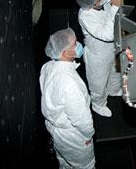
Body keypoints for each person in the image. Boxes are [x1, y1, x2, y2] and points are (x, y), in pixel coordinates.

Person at [39, 28, 96, 169]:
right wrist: (88, 135)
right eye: (74, 43)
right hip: (73, 137)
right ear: (65, 52)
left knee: (64, 161)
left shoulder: (47, 66)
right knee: (85, 165)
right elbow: (81, 119)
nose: (78, 45)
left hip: (56, 132)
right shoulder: (70, 83)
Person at [75, 0, 122, 117]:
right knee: (98, 82)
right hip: (98, 55)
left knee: (116, 71)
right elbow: (107, 35)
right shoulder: (85, 16)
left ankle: (113, 90)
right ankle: (98, 104)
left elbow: (115, 13)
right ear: (90, 6)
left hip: (113, 47)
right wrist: (115, 7)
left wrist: (116, 8)